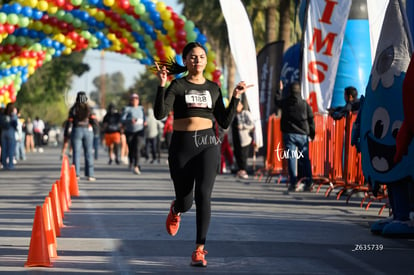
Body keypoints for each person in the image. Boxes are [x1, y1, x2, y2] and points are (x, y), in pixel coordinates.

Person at [153, 41, 250, 267]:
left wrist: (235, 97)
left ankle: (199, 249)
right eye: (193, 57)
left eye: (202, 57)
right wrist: (161, 85)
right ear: (185, 61)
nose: (198, 60)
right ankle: (176, 209)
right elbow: (160, 114)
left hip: (207, 144)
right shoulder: (177, 85)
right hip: (181, 146)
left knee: (204, 196)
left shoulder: (213, 88)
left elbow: (224, 120)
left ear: (206, 61)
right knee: (186, 201)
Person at [276, 81, 315, 192]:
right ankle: (309, 181)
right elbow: (311, 119)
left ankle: (293, 183)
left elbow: (277, 102)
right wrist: (312, 133)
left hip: (289, 134)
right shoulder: (304, 104)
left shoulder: (286, 102)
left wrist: (279, 90)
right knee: (305, 159)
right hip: (303, 134)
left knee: (292, 158)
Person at [66, 91, 97, 181]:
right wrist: (96, 131)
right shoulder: (89, 109)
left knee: (76, 153)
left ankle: (76, 174)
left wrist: (67, 133)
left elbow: (69, 121)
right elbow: (94, 121)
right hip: (87, 130)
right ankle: (90, 174)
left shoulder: (74, 109)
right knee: (88, 153)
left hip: (76, 130)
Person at [121, 93, 146, 175]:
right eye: (133, 99)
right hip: (130, 131)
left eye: (137, 99)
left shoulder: (141, 108)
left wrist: (145, 122)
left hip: (139, 131)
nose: (135, 101)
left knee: (137, 148)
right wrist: (130, 120)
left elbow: (144, 118)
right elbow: (122, 119)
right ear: (131, 101)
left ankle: (136, 166)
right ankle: (131, 161)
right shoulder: (127, 109)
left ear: (138, 100)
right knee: (131, 149)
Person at [231, 98, 255, 179]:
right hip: (236, 137)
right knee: (237, 154)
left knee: (243, 155)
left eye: (238, 105)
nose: (237, 106)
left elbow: (252, 124)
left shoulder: (246, 113)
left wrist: (243, 126)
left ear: (241, 106)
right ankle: (240, 170)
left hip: (244, 138)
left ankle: (244, 170)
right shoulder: (233, 114)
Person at [1, 103, 18, 170]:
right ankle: (10, 164)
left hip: (3, 132)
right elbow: (15, 124)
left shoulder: (3, 115)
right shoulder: (13, 115)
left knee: (4, 150)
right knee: (11, 149)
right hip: (11, 131)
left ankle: (4, 165)